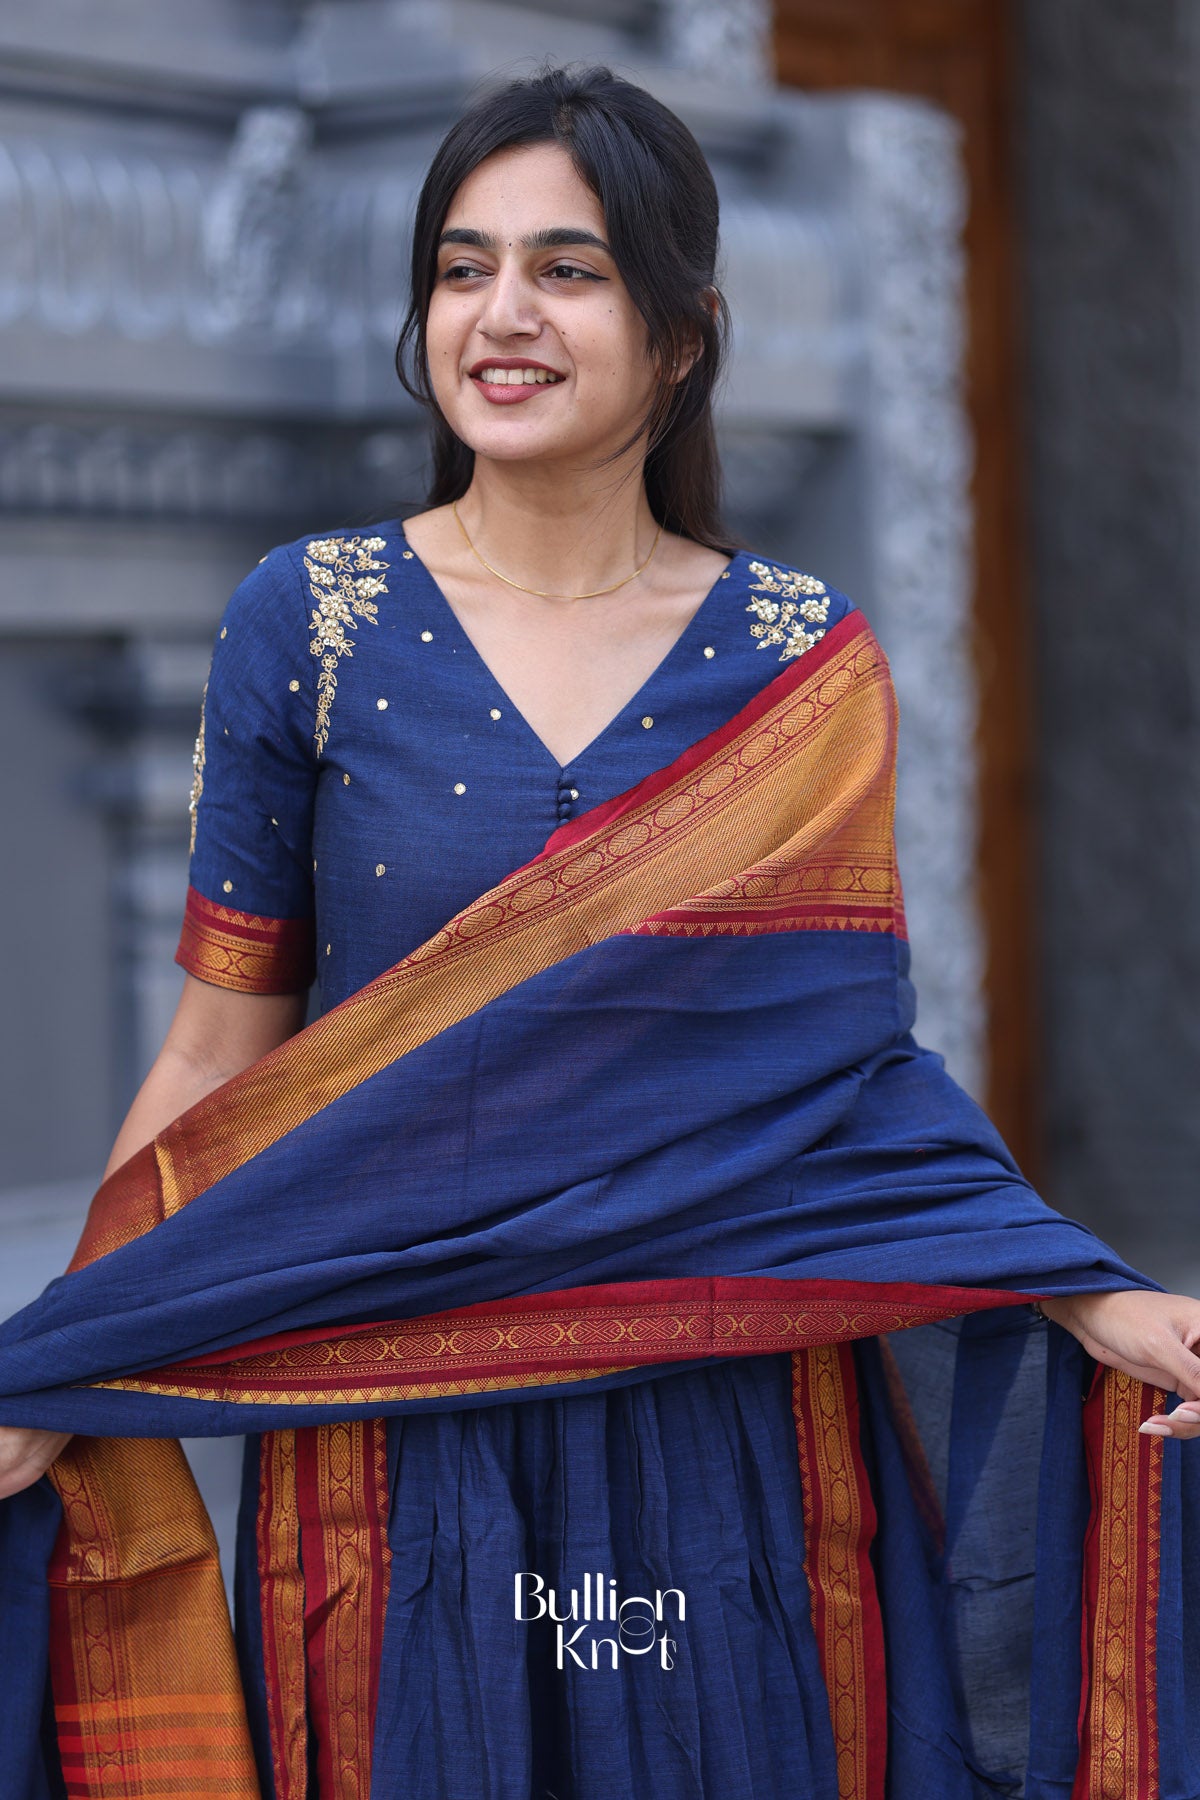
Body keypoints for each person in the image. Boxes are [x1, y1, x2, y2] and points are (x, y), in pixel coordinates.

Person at [0, 61, 1197, 1800]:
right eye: (462, 266)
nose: (502, 315)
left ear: (683, 331)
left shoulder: (800, 660)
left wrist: (1081, 1290)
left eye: (567, 269)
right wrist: (62, 1355)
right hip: (397, 1413)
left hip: (725, 1407)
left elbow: (845, 1068)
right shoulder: (314, 623)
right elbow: (217, 1051)